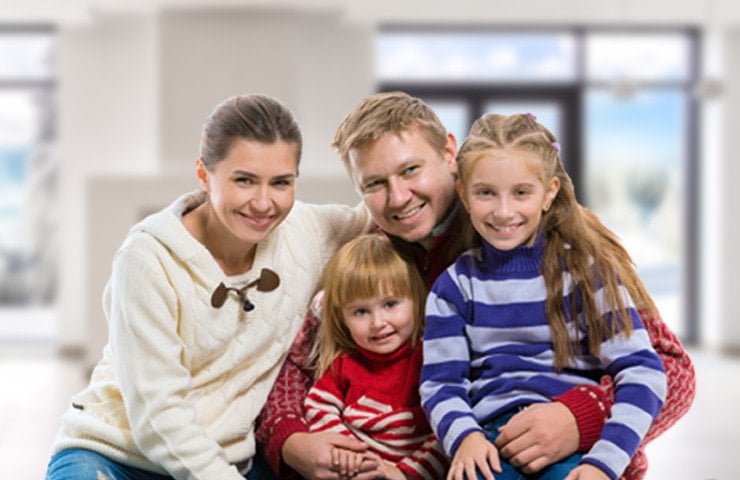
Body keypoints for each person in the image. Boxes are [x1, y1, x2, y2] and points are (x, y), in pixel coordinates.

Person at [256, 91, 695, 480]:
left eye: (411, 169)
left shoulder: (557, 239)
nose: (398, 197)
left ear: (449, 152)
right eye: (375, 183)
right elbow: (301, 362)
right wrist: (291, 440)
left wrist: (581, 416)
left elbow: (671, 370)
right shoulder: (374, 254)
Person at [44, 93, 372, 480]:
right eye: (244, 180)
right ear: (203, 174)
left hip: (230, 459)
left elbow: (383, 214)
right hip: (116, 455)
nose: (264, 203)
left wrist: (444, 174)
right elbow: (159, 417)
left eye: (281, 183)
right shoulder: (146, 260)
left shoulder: (306, 233)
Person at [420, 112, 668, 480]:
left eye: (521, 192)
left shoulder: (587, 272)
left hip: (577, 444)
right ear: (464, 194)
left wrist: (604, 463)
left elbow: (644, 372)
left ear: (549, 192)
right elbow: (441, 383)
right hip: (491, 442)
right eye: (486, 192)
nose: (504, 212)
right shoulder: (453, 286)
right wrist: (465, 437)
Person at [304, 234, 448, 480]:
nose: (378, 323)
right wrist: (348, 454)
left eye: (391, 304)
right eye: (360, 311)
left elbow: (444, 433)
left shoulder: (431, 358)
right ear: (342, 318)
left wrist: (405, 473)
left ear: (416, 299)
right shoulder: (344, 364)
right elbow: (318, 407)